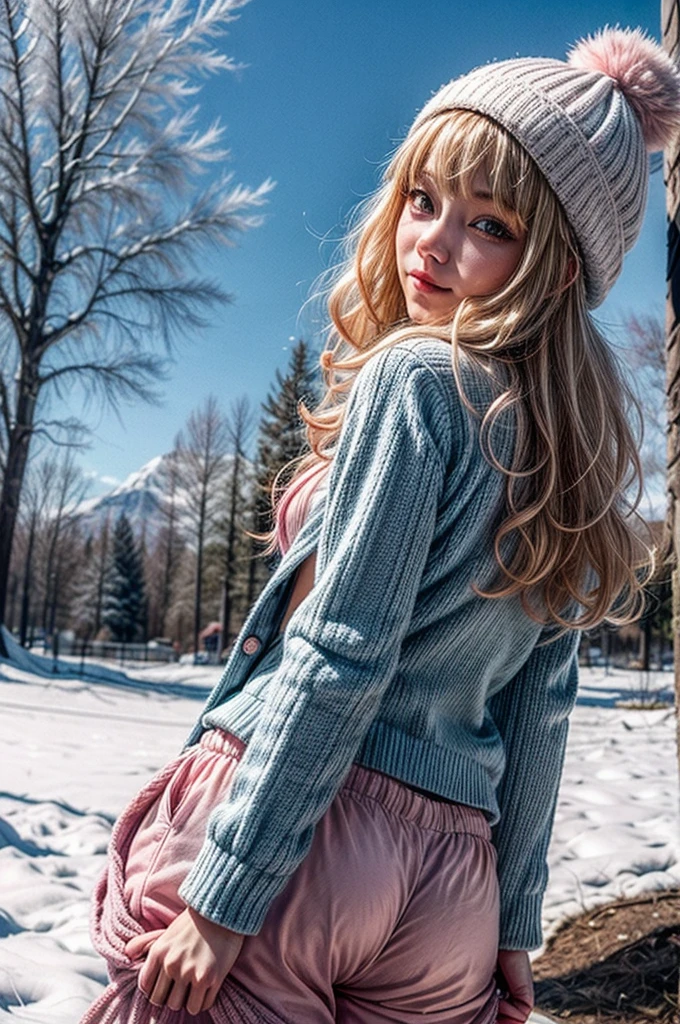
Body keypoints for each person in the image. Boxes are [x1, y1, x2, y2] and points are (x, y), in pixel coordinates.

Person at [80, 26, 680, 1024]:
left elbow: (339, 653)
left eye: (489, 224)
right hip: (448, 887)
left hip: (305, 843)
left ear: (559, 269)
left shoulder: (417, 381)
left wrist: (229, 893)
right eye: (421, 198)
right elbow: (539, 708)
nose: (431, 245)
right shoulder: (567, 463)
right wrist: (511, 922)